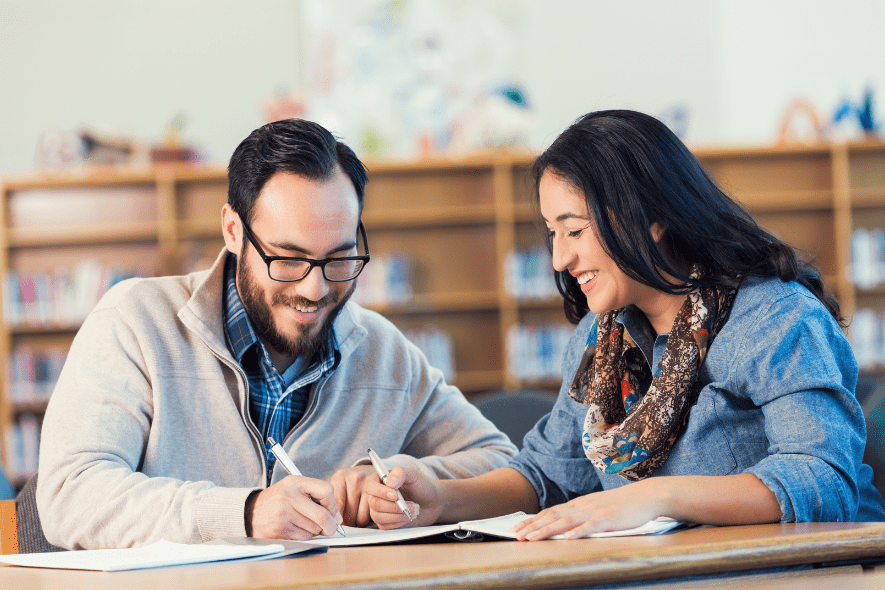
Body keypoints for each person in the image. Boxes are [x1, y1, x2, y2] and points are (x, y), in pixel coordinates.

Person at [363, 109, 885, 539]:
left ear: (651, 219)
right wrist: (440, 500)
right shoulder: (600, 341)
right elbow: (547, 475)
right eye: (552, 234)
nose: (559, 260)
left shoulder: (776, 318)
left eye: (574, 231)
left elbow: (822, 478)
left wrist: (653, 497)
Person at [36, 119, 517, 549]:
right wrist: (246, 512)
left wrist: (408, 477)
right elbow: (70, 495)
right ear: (232, 230)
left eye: (339, 259)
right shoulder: (136, 322)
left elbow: (504, 464)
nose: (315, 289)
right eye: (287, 259)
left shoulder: (384, 352)